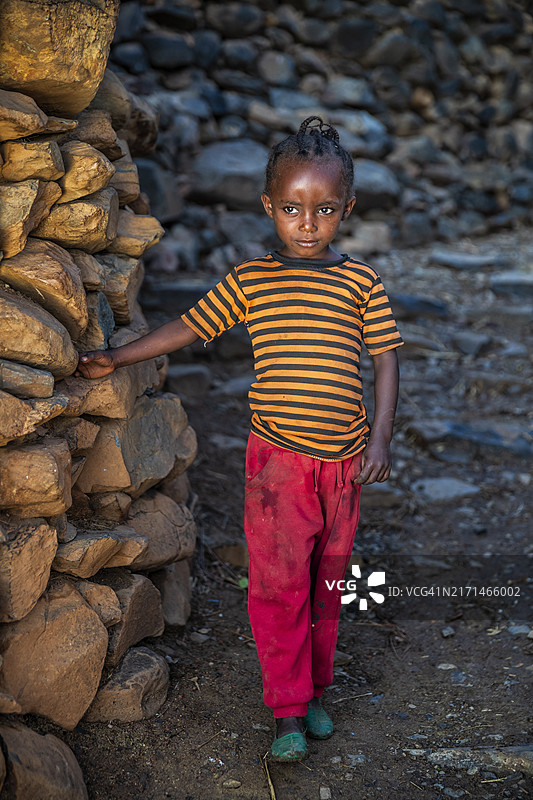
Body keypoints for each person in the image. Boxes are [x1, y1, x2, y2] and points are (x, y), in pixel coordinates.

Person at [77, 116, 403, 762]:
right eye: (291, 208)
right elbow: (190, 327)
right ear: (267, 206)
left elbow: (386, 361)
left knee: (327, 583)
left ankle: (314, 690)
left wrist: (381, 439)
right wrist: (119, 356)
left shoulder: (361, 283)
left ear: (346, 209)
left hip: (343, 464)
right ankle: (287, 708)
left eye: (324, 209)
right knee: (279, 584)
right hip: (278, 463)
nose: (307, 224)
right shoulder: (251, 282)